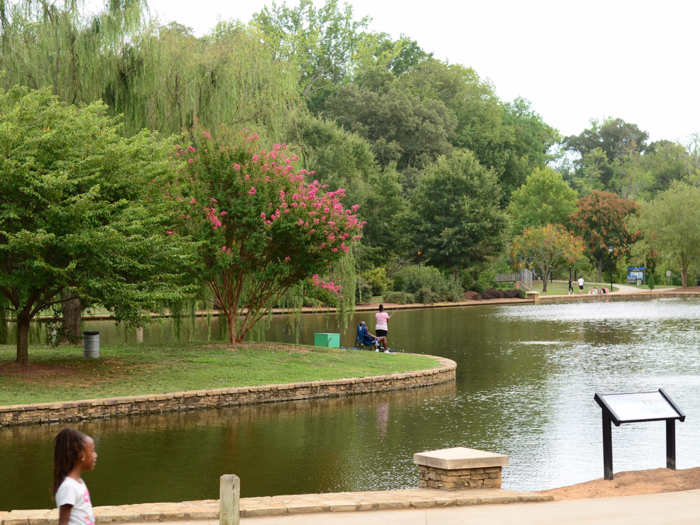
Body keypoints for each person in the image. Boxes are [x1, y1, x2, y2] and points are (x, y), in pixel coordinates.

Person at [53, 428, 97, 525]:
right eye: (93, 451)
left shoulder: (78, 482)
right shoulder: (69, 487)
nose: (95, 455)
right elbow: (63, 523)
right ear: (81, 455)